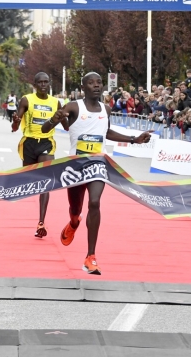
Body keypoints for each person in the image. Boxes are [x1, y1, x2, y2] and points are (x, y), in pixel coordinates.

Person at [42, 72, 152, 275]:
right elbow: (44, 129)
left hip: (98, 163)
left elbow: (106, 133)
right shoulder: (74, 107)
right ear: (83, 87)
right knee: (75, 208)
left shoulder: (106, 109)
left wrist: (134, 139)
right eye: (91, 83)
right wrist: (53, 120)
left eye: (99, 82)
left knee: (94, 202)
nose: (96, 86)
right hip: (75, 165)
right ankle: (74, 222)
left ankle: (90, 256)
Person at [11, 72, 66, 238]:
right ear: (35, 84)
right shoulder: (27, 100)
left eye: (46, 82)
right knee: (29, 181)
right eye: (40, 82)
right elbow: (14, 127)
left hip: (46, 143)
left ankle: (41, 222)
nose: (43, 85)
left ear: (49, 84)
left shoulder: (56, 102)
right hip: (28, 143)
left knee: (46, 181)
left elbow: (67, 126)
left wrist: (62, 116)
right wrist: (15, 121)